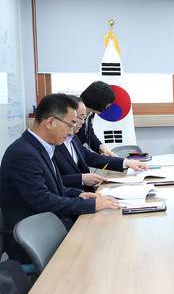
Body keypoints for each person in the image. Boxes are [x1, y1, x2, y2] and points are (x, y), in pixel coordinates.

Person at [0, 94, 120, 263]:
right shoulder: (23, 154)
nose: (71, 132)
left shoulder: (41, 147)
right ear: (50, 122)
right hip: (38, 242)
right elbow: (42, 201)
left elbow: (52, 188)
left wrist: (79, 195)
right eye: (69, 125)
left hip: (52, 229)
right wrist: (90, 205)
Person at [54, 97, 148, 191]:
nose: (83, 122)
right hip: (71, 197)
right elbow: (51, 181)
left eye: (84, 117)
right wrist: (81, 179)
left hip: (86, 195)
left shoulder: (73, 138)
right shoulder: (53, 144)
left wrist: (125, 162)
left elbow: (92, 158)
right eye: (80, 118)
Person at [78, 81, 119, 157]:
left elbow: (89, 134)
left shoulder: (91, 113)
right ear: (98, 101)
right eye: (107, 104)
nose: (107, 107)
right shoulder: (74, 114)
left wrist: (103, 149)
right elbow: (75, 145)